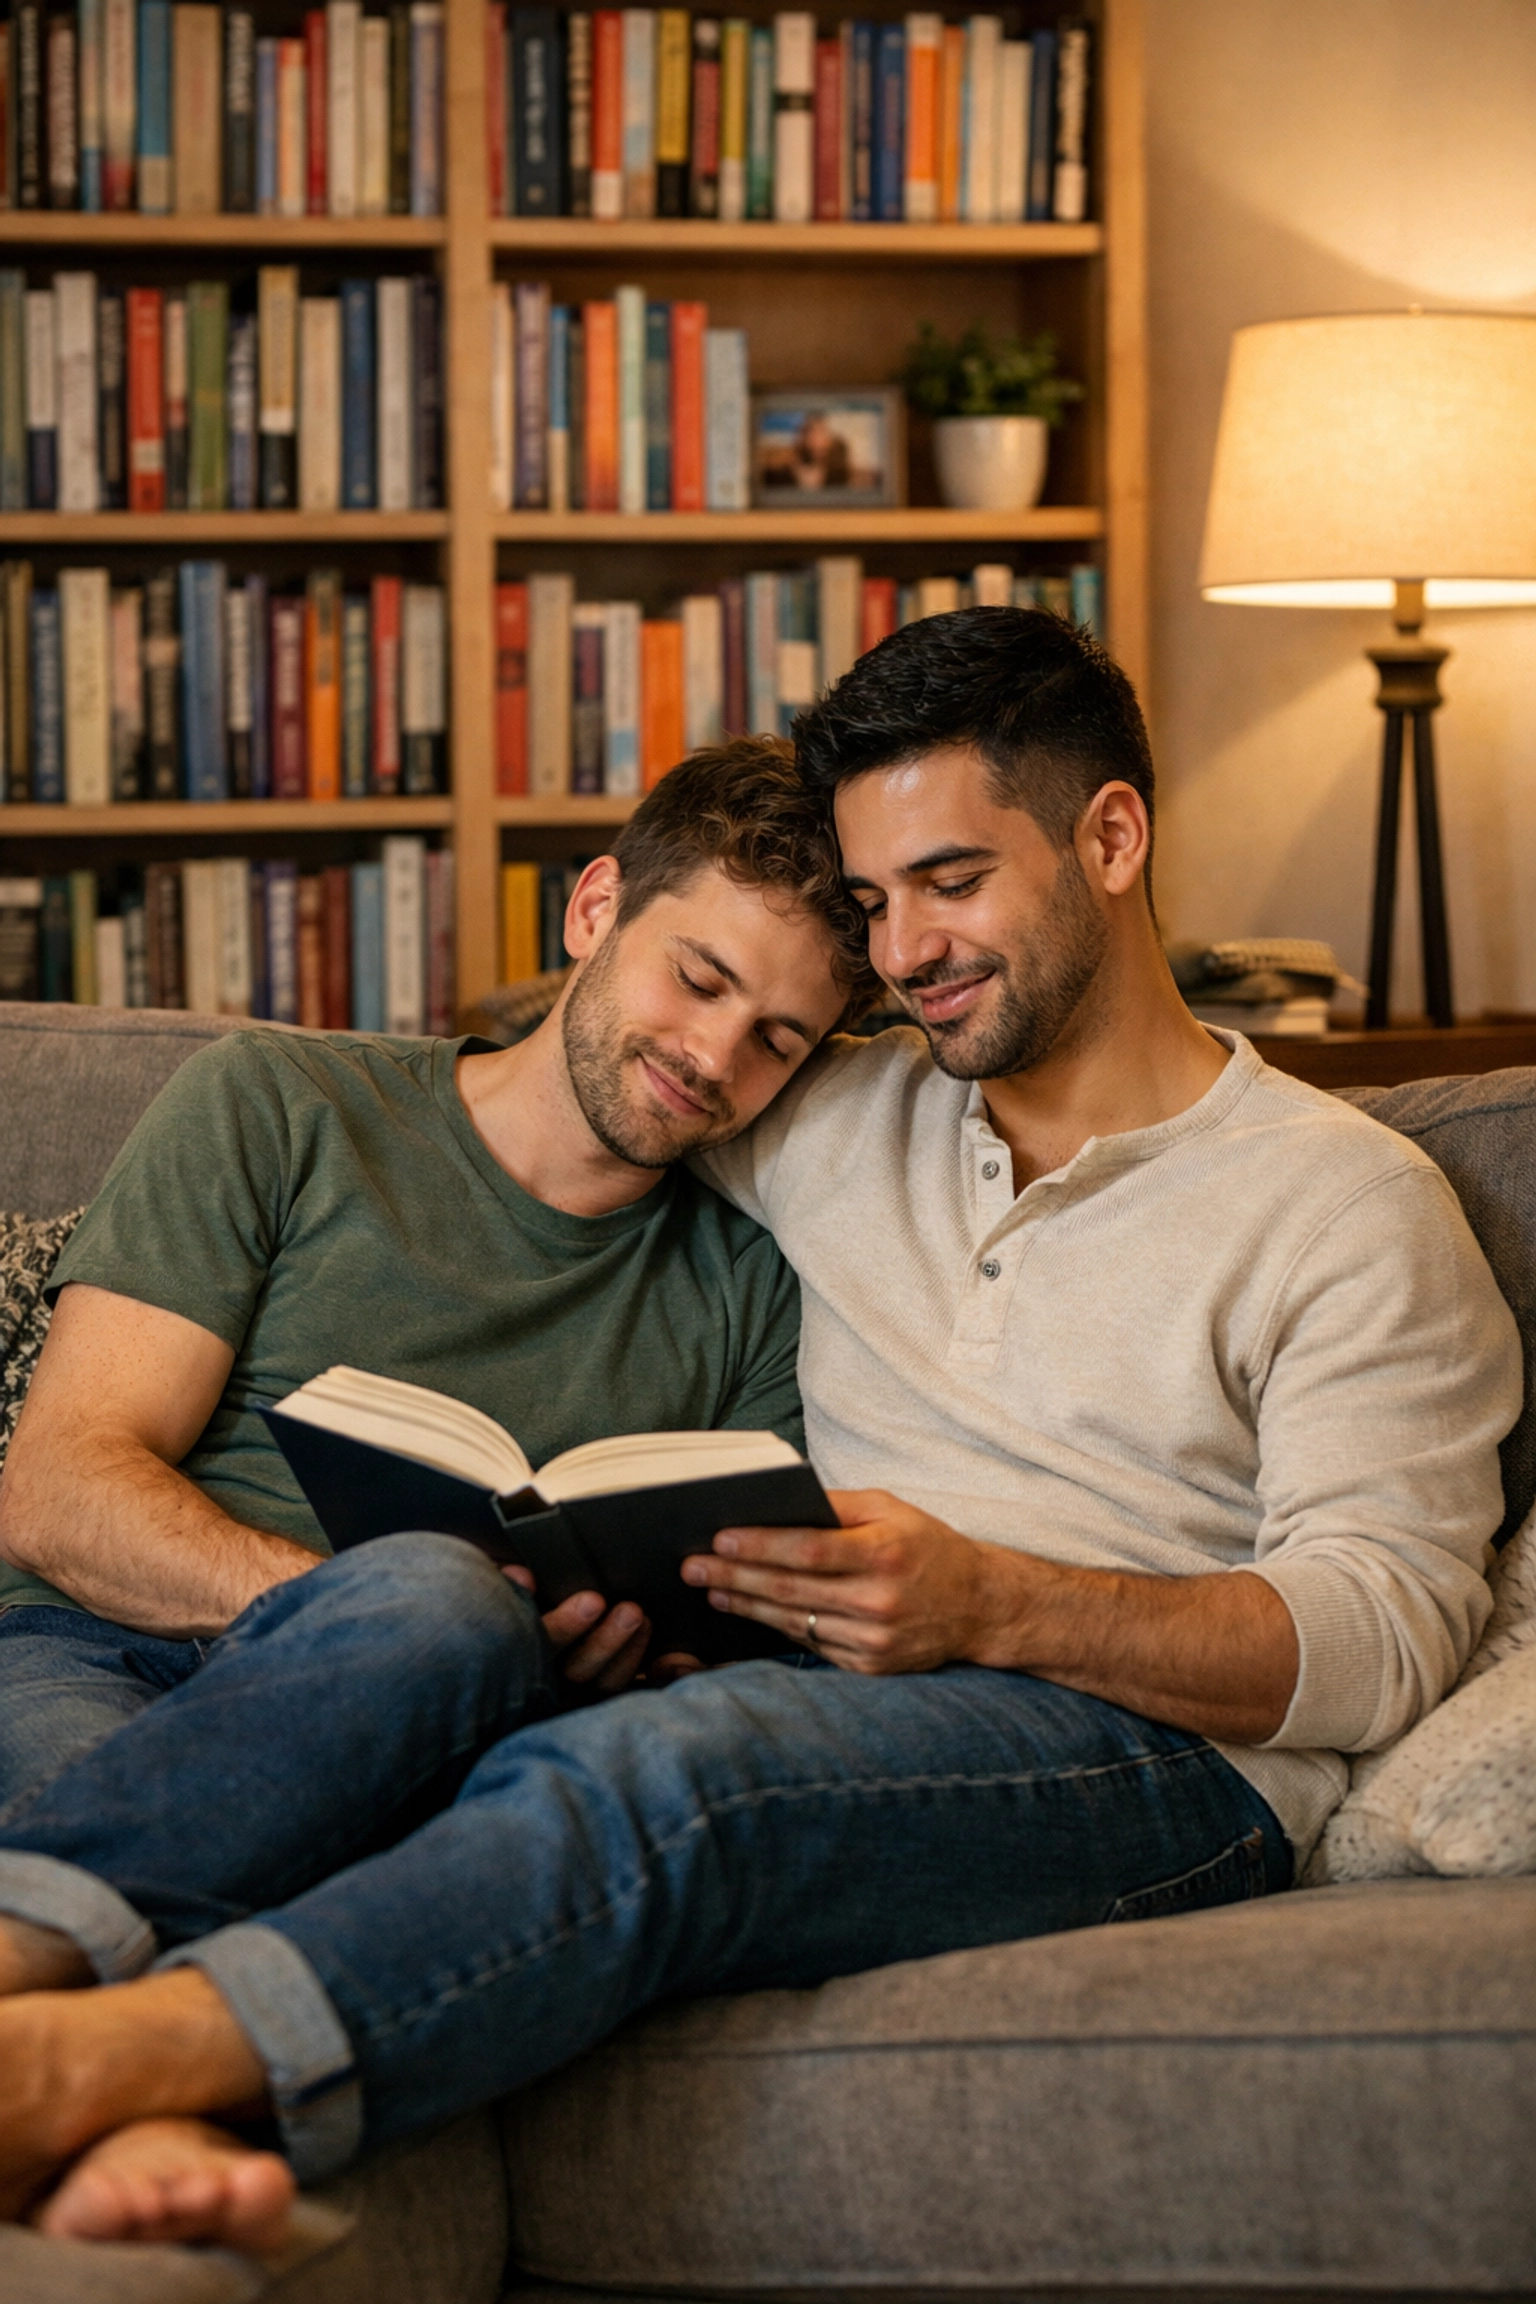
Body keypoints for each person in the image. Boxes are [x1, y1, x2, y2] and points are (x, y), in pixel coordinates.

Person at [0, 610, 1518, 2254]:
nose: (908, 950)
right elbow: (603, 1075)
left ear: (1110, 838)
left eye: (952, 881)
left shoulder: (1347, 1205)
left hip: (1155, 1760)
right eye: (876, 905)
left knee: (665, 1765)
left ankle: (88, 2067)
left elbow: (1387, 1636)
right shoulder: (834, 1115)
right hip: (820, 1705)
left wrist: (997, 1604)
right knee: (516, 1720)